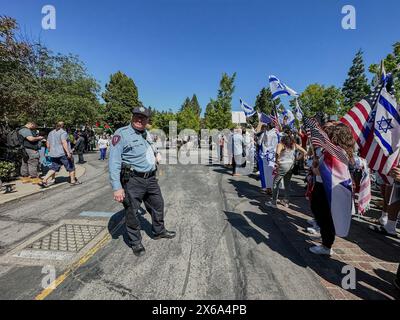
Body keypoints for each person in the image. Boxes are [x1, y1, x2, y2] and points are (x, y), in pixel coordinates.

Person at [109, 106, 176, 257]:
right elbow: (114, 162)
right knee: (132, 211)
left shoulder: (147, 133)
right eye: (137, 116)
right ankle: (135, 242)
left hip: (151, 178)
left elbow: (151, 147)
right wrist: (117, 187)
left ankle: (159, 231)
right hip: (132, 180)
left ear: (147, 120)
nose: (139, 120)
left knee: (158, 204)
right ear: (132, 117)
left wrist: (157, 154)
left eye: (143, 117)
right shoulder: (121, 134)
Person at [309, 123, 356, 256]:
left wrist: (314, 168)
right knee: (319, 212)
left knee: (324, 215)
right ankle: (325, 237)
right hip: (325, 187)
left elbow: (321, 172)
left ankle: (326, 246)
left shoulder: (335, 152)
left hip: (327, 189)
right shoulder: (337, 151)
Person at [266, 130, 307, 208]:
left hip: (282, 165)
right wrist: (297, 159)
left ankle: (273, 202)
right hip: (291, 165)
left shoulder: (281, 144)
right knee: (287, 184)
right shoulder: (294, 145)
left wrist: (276, 161)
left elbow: (277, 153)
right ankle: (286, 201)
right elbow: (304, 152)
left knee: (276, 183)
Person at [39, 122, 81, 188]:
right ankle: (73, 181)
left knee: (54, 168)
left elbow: (48, 142)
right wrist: (68, 152)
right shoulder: (63, 132)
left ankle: (44, 180)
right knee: (71, 167)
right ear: (63, 126)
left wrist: (49, 150)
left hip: (53, 154)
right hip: (62, 153)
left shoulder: (51, 133)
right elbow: (63, 142)